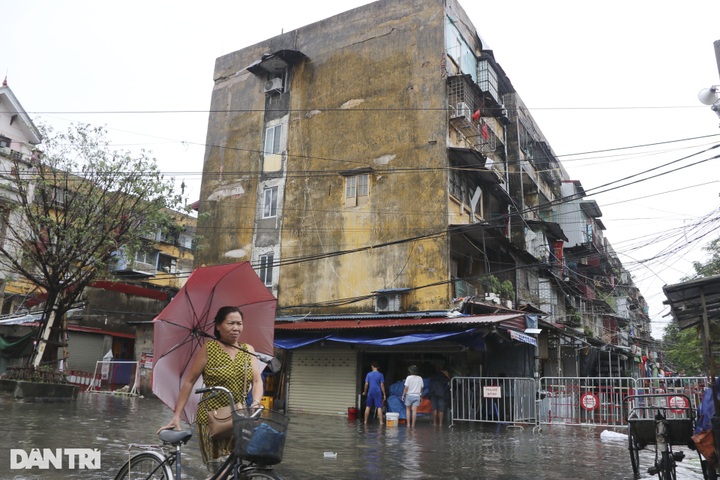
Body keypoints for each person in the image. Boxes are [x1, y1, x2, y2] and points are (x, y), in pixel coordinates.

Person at [159, 306, 264, 471]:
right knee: (217, 469)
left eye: (239, 323)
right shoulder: (209, 349)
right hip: (212, 419)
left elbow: (257, 381)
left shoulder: (248, 350)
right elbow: (189, 381)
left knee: (236, 469)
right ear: (218, 326)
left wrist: (256, 402)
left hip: (240, 418)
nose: (236, 328)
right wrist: (177, 416)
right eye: (230, 323)